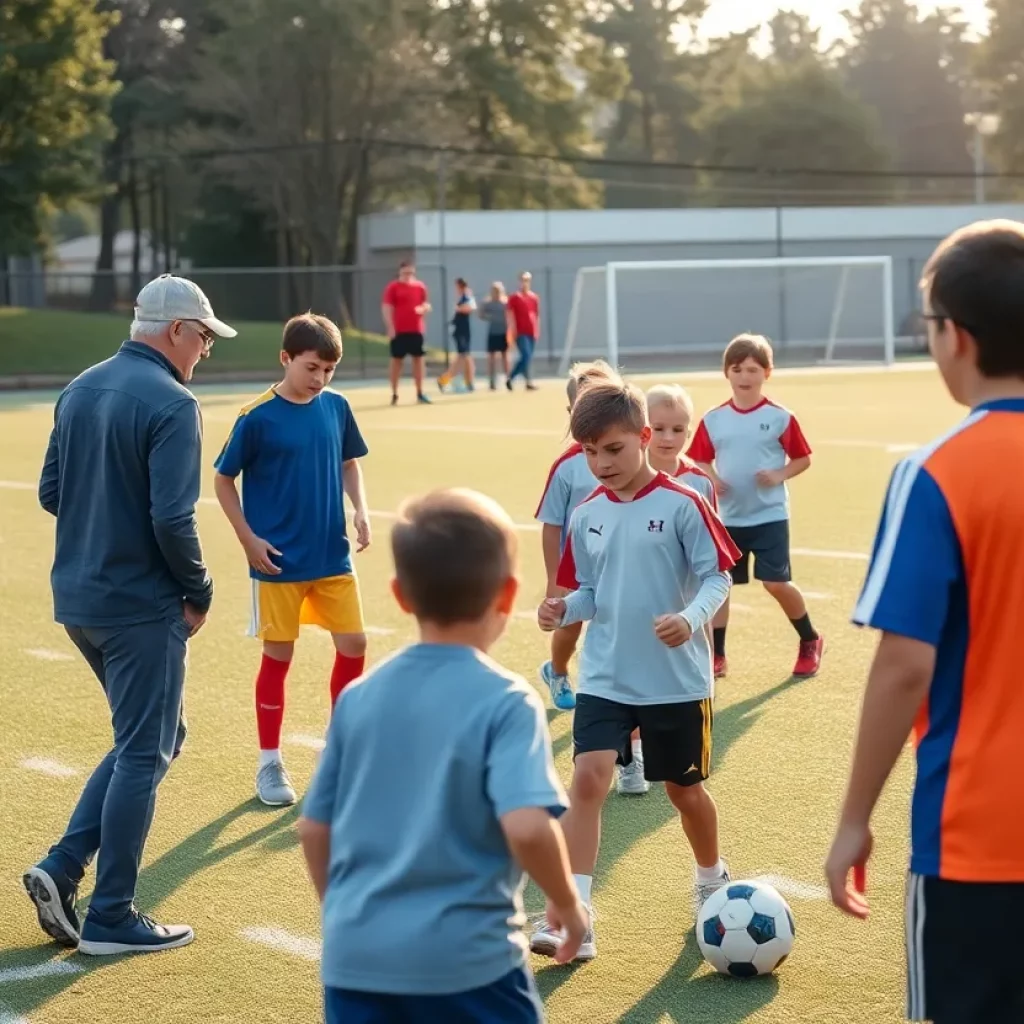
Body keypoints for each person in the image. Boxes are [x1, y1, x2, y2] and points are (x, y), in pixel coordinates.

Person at [826, 219, 1024, 1024]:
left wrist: (852, 821)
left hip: (977, 837)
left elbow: (905, 665)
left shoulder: (936, 472)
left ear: (957, 338)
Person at [298, 488, 587, 1023]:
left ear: (401, 595)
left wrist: (343, 917)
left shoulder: (359, 696)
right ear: (508, 595)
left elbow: (315, 829)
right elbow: (526, 828)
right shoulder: (507, 702)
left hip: (356, 962)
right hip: (470, 965)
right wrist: (568, 905)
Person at [24, 274, 234, 955]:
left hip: (78, 600)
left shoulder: (80, 386)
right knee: (145, 748)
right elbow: (172, 517)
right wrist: (198, 589)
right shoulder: (174, 402)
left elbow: (53, 491)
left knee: (151, 734)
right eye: (203, 336)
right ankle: (111, 913)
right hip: (138, 606)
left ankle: (63, 867)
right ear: (175, 330)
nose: (205, 350)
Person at [531, 380, 740, 962]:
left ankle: (710, 878)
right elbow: (589, 592)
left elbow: (718, 575)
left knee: (685, 791)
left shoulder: (685, 503)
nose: (601, 464)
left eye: (614, 450)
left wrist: (691, 617)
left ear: (645, 439)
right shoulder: (587, 513)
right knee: (588, 779)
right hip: (605, 677)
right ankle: (576, 916)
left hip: (674, 680)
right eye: (590, 452)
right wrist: (561, 608)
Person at [213, 313, 370, 808]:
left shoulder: (337, 407)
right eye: (311, 367)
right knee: (279, 657)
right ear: (286, 359)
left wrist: (360, 509)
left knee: (355, 645)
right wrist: (248, 540)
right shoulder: (255, 416)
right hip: (277, 561)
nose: (320, 378)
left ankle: (337, 752)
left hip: (332, 556)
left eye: (328, 369)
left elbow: (349, 462)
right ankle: (269, 761)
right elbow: (223, 480)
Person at [687, 335, 823, 680]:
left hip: (769, 515)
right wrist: (712, 477)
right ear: (726, 373)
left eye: (752, 369)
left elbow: (803, 458)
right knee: (721, 585)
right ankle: (717, 655)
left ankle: (810, 639)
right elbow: (698, 459)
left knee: (776, 583)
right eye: (737, 369)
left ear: (767, 373)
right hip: (727, 519)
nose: (745, 376)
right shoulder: (714, 419)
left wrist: (780, 473)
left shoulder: (779, 417)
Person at [534, 360, 618, 714]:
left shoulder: (629, 456)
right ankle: (557, 671)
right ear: (572, 412)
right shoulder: (567, 466)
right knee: (571, 625)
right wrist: (555, 579)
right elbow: (552, 524)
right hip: (577, 566)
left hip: (618, 558)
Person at [646, 384, 717, 507]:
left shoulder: (699, 482)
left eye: (677, 430)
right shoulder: (624, 477)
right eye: (658, 428)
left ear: (688, 433)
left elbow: (709, 525)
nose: (668, 438)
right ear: (642, 430)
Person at [382, 261, 432, 406]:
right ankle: (394, 393)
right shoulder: (393, 287)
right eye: (405, 273)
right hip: (399, 331)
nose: (408, 276)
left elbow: (425, 304)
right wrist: (390, 327)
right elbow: (387, 307)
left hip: (416, 330)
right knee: (397, 361)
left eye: (410, 273)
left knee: (419, 360)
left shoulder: (420, 287)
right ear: (400, 272)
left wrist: (424, 309)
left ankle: (420, 392)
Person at [437, 278, 477, 394]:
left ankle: (467, 382)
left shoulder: (466, 295)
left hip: (464, 330)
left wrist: (459, 308)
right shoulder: (461, 297)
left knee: (465, 357)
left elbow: (471, 308)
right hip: (460, 331)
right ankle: (445, 380)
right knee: (463, 357)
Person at [507, 271, 540, 391]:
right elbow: (510, 315)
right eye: (523, 280)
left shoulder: (534, 297)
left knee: (528, 357)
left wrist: (537, 330)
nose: (525, 282)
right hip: (520, 332)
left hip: (531, 331)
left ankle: (528, 382)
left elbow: (536, 315)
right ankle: (511, 377)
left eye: (527, 280)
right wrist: (512, 330)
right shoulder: (514, 298)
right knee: (525, 355)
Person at [479, 282, 511, 390]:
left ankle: (508, 379)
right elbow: (481, 314)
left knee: (505, 357)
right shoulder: (488, 303)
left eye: (498, 290)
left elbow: (511, 314)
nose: (496, 293)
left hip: (504, 333)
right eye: (494, 290)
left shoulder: (505, 302)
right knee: (491, 358)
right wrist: (489, 316)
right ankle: (492, 381)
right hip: (493, 332)